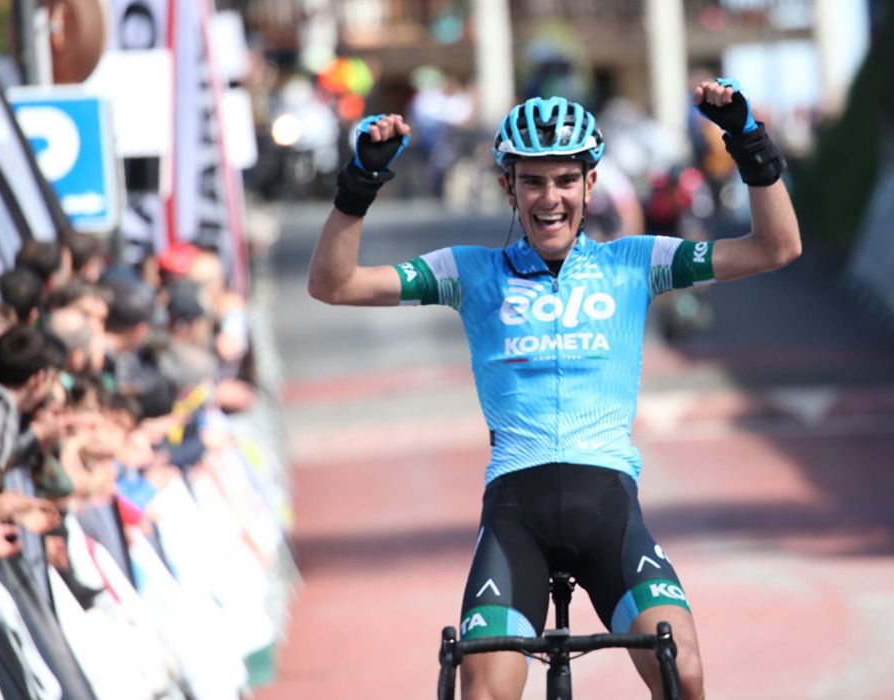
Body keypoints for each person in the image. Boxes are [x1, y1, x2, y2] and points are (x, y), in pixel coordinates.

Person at [308, 77, 801, 700]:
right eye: (533, 181)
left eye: (566, 180)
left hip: (610, 514)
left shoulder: (635, 262)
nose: (550, 198)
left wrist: (747, 140)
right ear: (507, 187)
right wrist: (360, 183)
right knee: (483, 690)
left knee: (685, 672)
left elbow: (777, 247)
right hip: (516, 518)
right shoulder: (468, 271)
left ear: (590, 185)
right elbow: (334, 284)